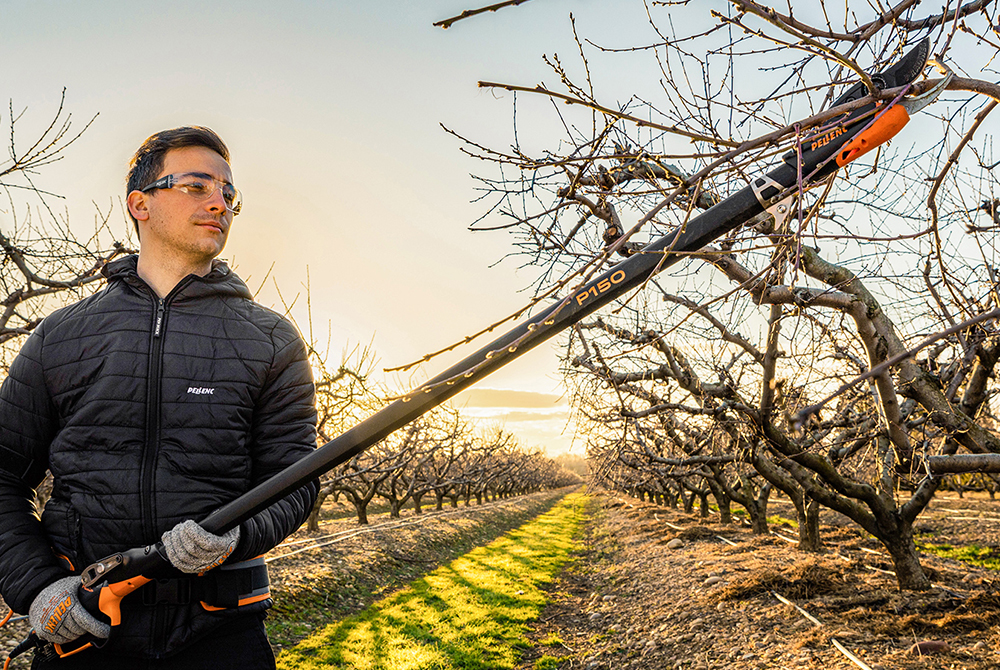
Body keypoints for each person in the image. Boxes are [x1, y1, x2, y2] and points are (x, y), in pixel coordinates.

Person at [0, 126, 318, 669]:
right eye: (197, 186)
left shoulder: (269, 339)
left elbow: (294, 480)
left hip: (222, 634)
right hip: (87, 629)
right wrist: (38, 588)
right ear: (140, 204)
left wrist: (237, 535)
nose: (220, 202)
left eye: (228, 193)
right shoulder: (62, 336)